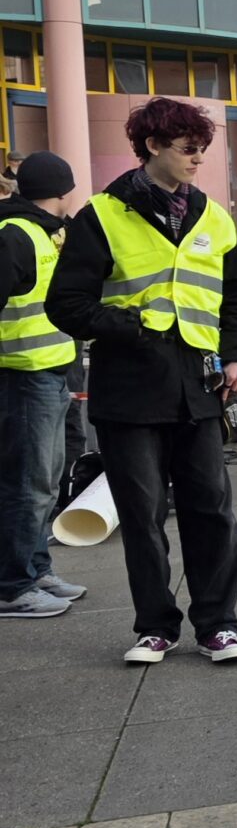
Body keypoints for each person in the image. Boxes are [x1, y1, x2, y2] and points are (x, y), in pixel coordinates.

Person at [47, 100, 237, 665]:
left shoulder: (215, 218)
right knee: (142, 517)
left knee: (212, 510)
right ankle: (155, 627)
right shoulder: (102, 215)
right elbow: (64, 304)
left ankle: (218, 626)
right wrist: (129, 324)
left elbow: (235, 302)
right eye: (187, 145)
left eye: (202, 146)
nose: (198, 156)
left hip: (201, 384)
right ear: (153, 145)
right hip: (131, 385)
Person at [0, 152, 86, 620]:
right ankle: (13, 585)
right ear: (64, 188)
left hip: (51, 368)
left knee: (45, 481)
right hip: (22, 372)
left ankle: (35, 569)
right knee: (25, 483)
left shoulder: (46, 231)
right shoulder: (16, 233)